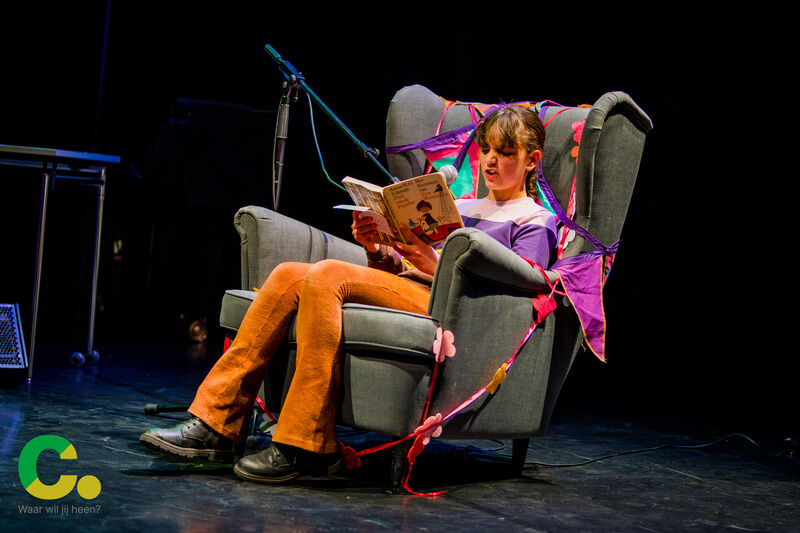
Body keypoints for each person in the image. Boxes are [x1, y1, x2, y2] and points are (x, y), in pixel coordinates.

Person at [138, 104, 557, 483]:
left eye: (505, 152)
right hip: (413, 289)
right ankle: (217, 422)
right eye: (487, 150)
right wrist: (378, 247)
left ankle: (306, 443)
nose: (491, 160)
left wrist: (433, 263)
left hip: (453, 309)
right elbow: (400, 271)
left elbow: (516, 288)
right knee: (287, 275)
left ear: (532, 160)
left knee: (327, 275)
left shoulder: (535, 220)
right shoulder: (460, 207)